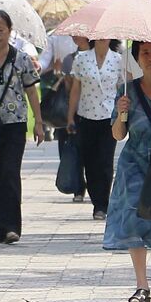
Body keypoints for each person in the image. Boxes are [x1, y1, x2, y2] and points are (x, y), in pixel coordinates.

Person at [103, 41, 151, 302]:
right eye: (144, 52)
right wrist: (121, 113)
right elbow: (118, 135)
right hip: (133, 165)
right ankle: (141, 285)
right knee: (134, 221)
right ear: (137, 58)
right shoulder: (127, 91)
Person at [0, 10, 44, 244]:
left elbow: (31, 90)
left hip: (16, 124)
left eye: (2, 30)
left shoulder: (22, 59)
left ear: (10, 31)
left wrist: (38, 122)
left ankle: (11, 227)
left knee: (9, 172)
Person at [66, 39, 122, 220]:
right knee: (90, 161)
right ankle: (95, 198)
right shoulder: (82, 58)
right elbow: (76, 89)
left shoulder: (118, 59)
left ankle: (102, 205)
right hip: (86, 115)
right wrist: (70, 116)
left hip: (109, 116)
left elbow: (122, 88)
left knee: (105, 161)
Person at [54, 36, 90, 202]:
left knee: (90, 151)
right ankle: (78, 186)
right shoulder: (69, 59)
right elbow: (69, 88)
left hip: (95, 111)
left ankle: (93, 187)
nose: (76, 37)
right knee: (75, 149)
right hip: (74, 110)